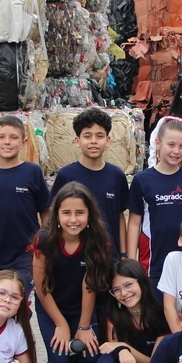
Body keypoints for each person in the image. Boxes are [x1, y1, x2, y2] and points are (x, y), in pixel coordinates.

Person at [31, 182, 112, 363]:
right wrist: (61, 324)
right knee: (58, 360)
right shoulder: (43, 240)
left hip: (83, 310)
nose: (73, 219)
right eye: (66, 213)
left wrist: (85, 326)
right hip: (51, 308)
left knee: (89, 358)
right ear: (56, 215)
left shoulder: (95, 240)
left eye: (80, 213)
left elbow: (90, 285)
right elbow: (41, 287)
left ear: (89, 216)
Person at [0, 114, 49, 295]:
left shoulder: (33, 172)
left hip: (27, 255)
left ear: (23, 142)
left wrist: (45, 246)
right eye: (1, 137)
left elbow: (46, 212)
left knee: (18, 298)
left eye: (13, 137)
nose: (7, 142)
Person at [127, 116, 182, 288]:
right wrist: (130, 262)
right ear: (158, 143)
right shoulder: (142, 180)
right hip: (152, 264)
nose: (176, 151)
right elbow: (135, 223)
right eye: (171, 145)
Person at [51, 107, 128, 256]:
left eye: (99, 136)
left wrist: (123, 254)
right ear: (77, 141)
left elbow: (120, 217)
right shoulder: (66, 175)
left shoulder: (117, 176)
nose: (94, 141)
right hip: (76, 255)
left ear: (108, 140)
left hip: (110, 255)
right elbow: (56, 217)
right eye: (87, 136)